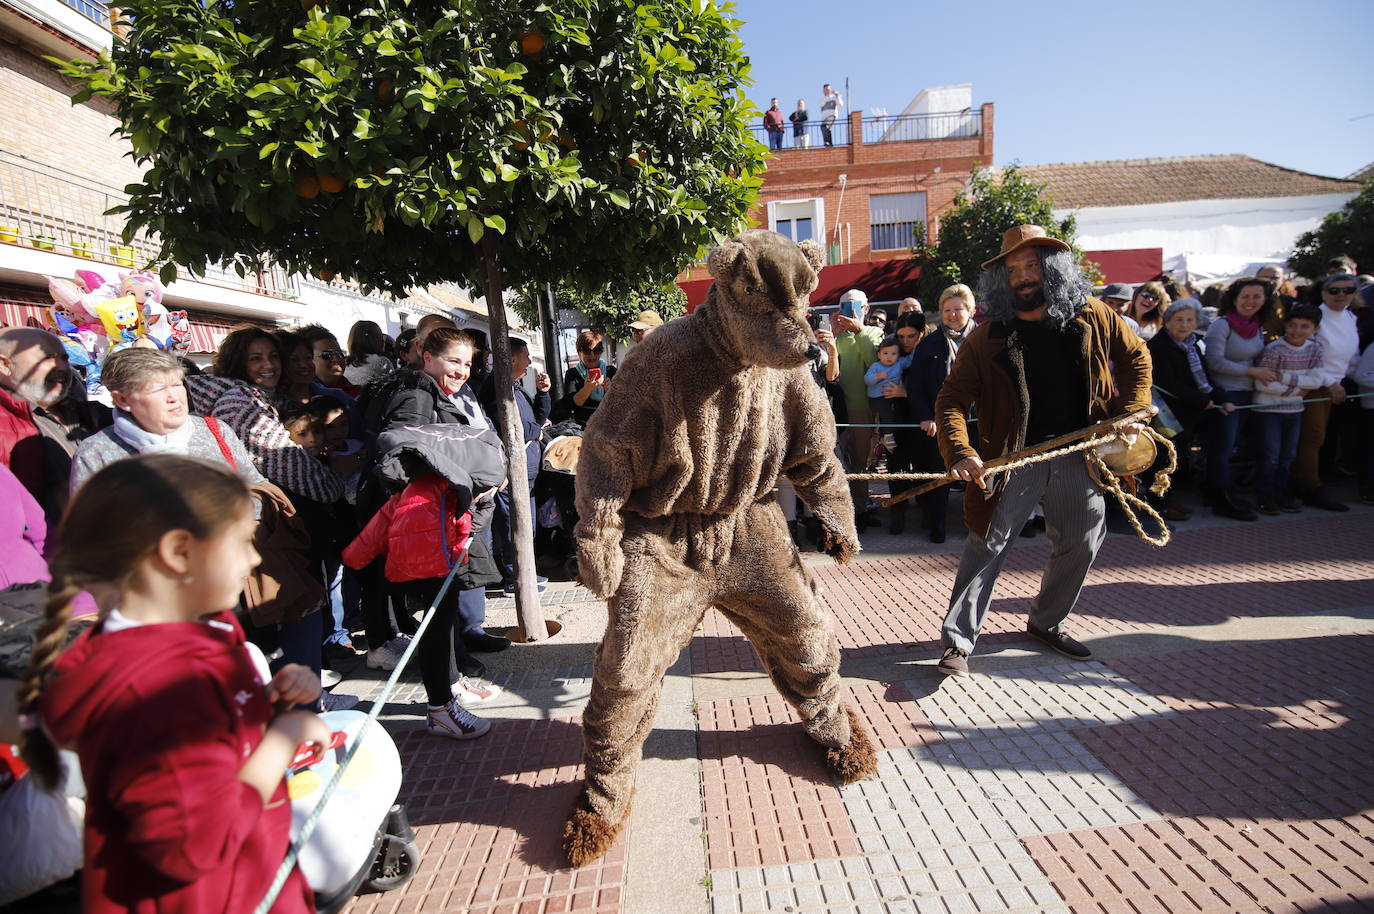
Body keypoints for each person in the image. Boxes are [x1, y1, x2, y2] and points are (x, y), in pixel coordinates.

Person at [17, 454, 324, 914]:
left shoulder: (205, 628)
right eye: (244, 542)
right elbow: (195, 845)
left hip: (252, 878)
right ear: (179, 552)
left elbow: (212, 738)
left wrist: (270, 702)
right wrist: (284, 737)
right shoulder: (154, 689)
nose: (256, 557)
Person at [933, 225, 1151, 676]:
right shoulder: (988, 336)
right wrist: (960, 451)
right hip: (1011, 459)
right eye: (1012, 270)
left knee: (1083, 540)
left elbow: (1136, 357)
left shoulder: (1093, 315)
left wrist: (1131, 411)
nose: (1022, 276)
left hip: (1080, 454)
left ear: (1052, 267)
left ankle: (1046, 622)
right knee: (987, 544)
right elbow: (951, 399)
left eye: (1031, 265)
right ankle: (958, 642)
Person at [378, 327, 507, 679]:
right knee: (439, 604)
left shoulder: (444, 393)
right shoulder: (418, 396)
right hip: (430, 515)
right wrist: (458, 484)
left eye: (466, 364)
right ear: (428, 357)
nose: (461, 371)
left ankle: (452, 673)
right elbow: (404, 453)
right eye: (453, 361)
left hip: (446, 512)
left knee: (446, 599)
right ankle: (447, 686)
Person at [70, 348, 264, 494]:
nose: (173, 397)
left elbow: (257, 488)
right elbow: (89, 527)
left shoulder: (215, 431)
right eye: (158, 389)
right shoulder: (97, 453)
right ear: (122, 400)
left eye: (176, 385)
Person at [479, 337, 552, 593]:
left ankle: (524, 573)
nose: (530, 361)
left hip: (527, 470)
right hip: (510, 471)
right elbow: (512, 427)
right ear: (511, 359)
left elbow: (535, 421)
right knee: (513, 525)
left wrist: (543, 394)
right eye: (526, 356)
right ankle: (515, 577)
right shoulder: (498, 389)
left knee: (526, 526)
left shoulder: (516, 387)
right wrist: (534, 431)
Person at [1203, 277, 1277, 521]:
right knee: (1221, 449)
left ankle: (1226, 491)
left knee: (1237, 447)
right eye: (1245, 296)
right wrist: (1252, 371)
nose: (1250, 301)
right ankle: (1220, 498)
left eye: (1257, 296)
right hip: (1225, 394)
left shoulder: (1256, 325)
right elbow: (1214, 362)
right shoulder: (1222, 325)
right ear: (1234, 299)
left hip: (1248, 393)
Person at [905, 285, 975, 543]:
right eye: (947, 310)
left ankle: (977, 527)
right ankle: (937, 527)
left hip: (978, 422)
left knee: (978, 476)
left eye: (958, 309)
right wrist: (925, 415)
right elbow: (916, 386)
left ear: (970, 311)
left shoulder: (984, 339)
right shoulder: (929, 344)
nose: (952, 315)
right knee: (940, 474)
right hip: (941, 421)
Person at [1291, 273, 1361, 511]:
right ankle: (1310, 487)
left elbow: (1351, 357)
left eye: (1348, 290)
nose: (1341, 295)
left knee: (1322, 438)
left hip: (1336, 386)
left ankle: (1310, 481)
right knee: (1312, 438)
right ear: (1323, 293)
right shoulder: (1315, 318)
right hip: (1313, 385)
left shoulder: (1350, 317)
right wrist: (1331, 383)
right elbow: (1309, 356)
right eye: (1334, 290)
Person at [1146, 299, 1218, 521]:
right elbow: (1169, 383)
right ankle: (1159, 506)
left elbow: (1205, 376)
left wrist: (1218, 398)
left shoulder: (1194, 344)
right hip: (1165, 413)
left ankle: (1169, 501)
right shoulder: (1159, 346)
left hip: (1187, 411)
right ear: (1167, 321)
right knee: (1163, 460)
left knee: (1176, 458)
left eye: (1189, 320)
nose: (1184, 325)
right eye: (1179, 320)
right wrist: (1202, 401)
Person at [1251, 303, 1325, 515]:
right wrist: (1298, 389)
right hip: (1268, 410)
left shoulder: (1315, 349)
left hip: (1294, 411)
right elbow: (1263, 384)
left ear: (1315, 329)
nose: (1296, 331)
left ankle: (1281, 493)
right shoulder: (1274, 349)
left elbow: (1316, 380)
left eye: (1304, 326)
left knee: (1288, 455)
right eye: (1292, 325)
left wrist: (1284, 378)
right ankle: (1265, 495)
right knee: (1270, 456)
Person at [0, 328, 72, 519]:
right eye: (47, 358)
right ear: (5, 365)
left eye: (64, 358)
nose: (62, 367)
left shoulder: (87, 412)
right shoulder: (4, 425)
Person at [831, 289, 885, 527]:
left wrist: (859, 331)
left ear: (866, 309)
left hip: (864, 408)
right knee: (838, 463)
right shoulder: (836, 335)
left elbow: (875, 364)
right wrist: (832, 335)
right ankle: (840, 513)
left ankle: (860, 509)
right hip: (838, 409)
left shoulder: (874, 333)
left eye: (856, 306)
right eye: (845, 307)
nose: (850, 312)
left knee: (860, 462)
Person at [556, 330, 617, 427]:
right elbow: (572, 404)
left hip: (609, 424)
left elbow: (621, 401)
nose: (592, 355)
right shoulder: (572, 374)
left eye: (596, 351)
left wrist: (609, 390)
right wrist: (587, 389)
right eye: (587, 351)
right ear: (579, 352)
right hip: (583, 426)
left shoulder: (611, 371)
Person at [863, 336, 909, 440]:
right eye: (885, 353)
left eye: (893, 354)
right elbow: (867, 380)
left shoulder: (899, 364)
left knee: (896, 414)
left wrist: (918, 346)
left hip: (895, 396)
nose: (889, 357)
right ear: (879, 355)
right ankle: (887, 436)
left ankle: (892, 434)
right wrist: (877, 377)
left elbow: (909, 360)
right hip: (877, 398)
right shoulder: (876, 366)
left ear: (898, 355)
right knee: (886, 414)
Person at [344, 320, 392, 386]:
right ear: (368, 340)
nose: (383, 340)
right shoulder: (382, 361)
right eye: (379, 336)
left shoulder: (346, 363)